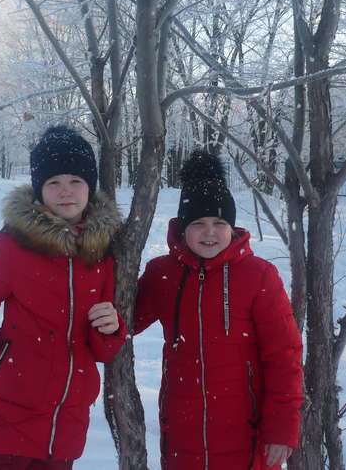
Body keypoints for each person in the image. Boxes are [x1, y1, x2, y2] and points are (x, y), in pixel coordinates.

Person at [0, 125, 126, 470]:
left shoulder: (105, 251)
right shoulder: (15, 243)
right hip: (2, 416)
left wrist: (110, 328)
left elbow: (103, 350)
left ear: (89, 187)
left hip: (64, 424)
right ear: (39, 189)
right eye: (53, 182)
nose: (65, 192)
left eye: (76, 181)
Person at [134, 150, 303, 470]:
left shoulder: (259, 275)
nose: (210, 232)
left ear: (232, 226)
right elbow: (126, 320)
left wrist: (282, 426)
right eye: (198, 223)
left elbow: (284, 355)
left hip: (248, 435)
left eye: (219, 222)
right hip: (183, 432)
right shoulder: (162, 273)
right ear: (182, 228)